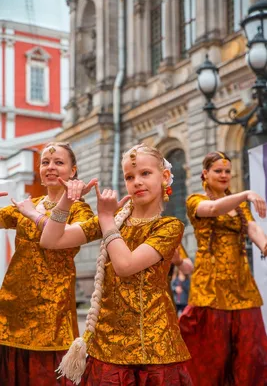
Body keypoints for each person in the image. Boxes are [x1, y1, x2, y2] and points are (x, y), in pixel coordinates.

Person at [38, 144, 193, 386]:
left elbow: (125, 265)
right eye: (129, 177)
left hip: (154, 350)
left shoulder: (169, 227)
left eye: (145, 174)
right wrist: (67, 201)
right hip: (107, 347)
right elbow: (50, 240)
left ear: (164, 177)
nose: (137, 182)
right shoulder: (117, 219)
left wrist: (106, 219)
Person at [0, 142, 94, 386]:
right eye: (45, 162)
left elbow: (57, 239)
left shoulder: (80, 209)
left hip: (53, 311)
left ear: (73, 171)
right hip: (11, 306)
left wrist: (34, 214)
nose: (50, 167)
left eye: (59, 163)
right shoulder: (27, 204)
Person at [179, 151, 267, 386]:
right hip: (211, 287)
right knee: (212, 354)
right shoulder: (195, 201)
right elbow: (214, 209)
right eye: (218, 171)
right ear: (205, 174)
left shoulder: (239, 207)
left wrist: (265, 245)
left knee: (251, 351)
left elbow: (252, 229)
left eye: (227, 171)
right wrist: (246, 193)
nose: (224, 175)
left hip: (241, 285)